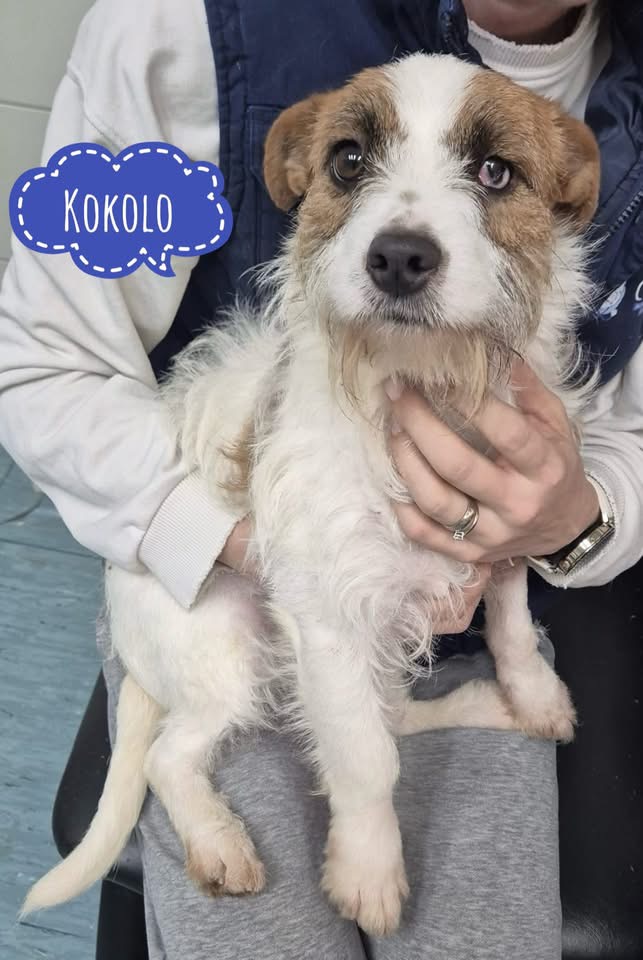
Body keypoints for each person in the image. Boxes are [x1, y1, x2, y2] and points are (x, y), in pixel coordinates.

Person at [1, 0, 641, 957]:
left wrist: (577, 516)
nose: (404, 239)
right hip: (221, 570)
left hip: (479, 614)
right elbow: (40, 366)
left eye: (492, 173)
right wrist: (243, 547)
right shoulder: (180, 25)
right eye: (350, 163)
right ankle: (204, 775)